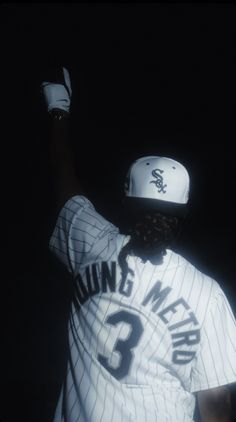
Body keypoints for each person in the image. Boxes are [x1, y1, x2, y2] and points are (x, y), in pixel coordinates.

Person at [41, 67, 236, 422]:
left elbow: (63, 184)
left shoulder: (94, 246)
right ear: (184, 214)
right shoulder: (207, 295)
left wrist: (58, 107)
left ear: (127, 201)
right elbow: (217, 402)